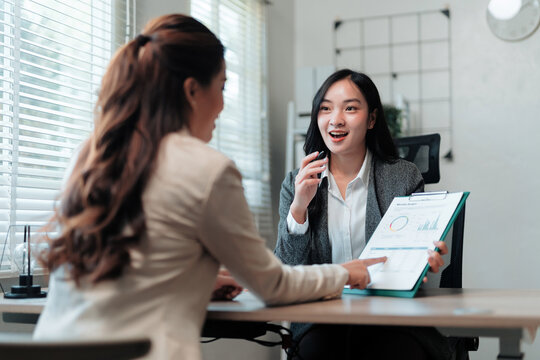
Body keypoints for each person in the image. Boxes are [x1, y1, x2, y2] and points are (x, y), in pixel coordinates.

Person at [32, 15, 386, 360]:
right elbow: (273, 286)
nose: (222, 105)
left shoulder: (91, 154)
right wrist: (346, 272)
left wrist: (194, 279)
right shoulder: (207, 168)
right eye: (221, 87)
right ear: (191, 91)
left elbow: (126, 268)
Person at [274, 69, 454, 360]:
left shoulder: (403, 177)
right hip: (321, 320)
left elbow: (414, 259)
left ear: (371, 119)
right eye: (325, 108)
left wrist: (424, 259)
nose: (336, 119)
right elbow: (284, 270)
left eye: (350, 108)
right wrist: (299, 208)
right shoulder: (296, 183)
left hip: (391, 318)